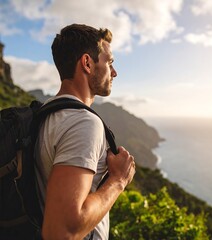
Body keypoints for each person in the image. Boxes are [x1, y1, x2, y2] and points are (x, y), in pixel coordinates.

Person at [35, 24, 136, 240]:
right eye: (109, 63)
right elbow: (61, 231)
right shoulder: (83, 123)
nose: (115, 72)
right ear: (88, 63)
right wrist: (118, 180)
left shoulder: (43, 115)